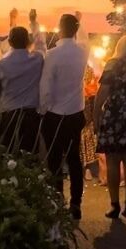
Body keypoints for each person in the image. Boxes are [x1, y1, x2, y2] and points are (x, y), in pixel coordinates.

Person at [39, 13, 90, 220]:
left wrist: (43, 108)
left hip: (54, 113)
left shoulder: (52, 55)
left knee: (54, 159)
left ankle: (58, 198)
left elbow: (46, 85)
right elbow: (85, 39)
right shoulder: (83, 51)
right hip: (75, 111)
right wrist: (81, 22)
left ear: (60, 29)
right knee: (74, 158)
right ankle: (76, 202)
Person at [95, 33, 126, 219]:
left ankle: (114, 204)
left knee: (112, 161)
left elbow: (103, 92)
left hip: (114, 114)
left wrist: (96, 115)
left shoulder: (112, 64)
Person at [0, 10, 45, 153]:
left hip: (8, 115)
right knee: (29, 155)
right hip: (31, 115)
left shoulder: (1, 65)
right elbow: (41, 43)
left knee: (7, 155)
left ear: (10, 42)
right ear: (27, 42)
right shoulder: (37, 59)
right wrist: (33, 22)